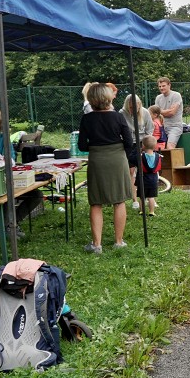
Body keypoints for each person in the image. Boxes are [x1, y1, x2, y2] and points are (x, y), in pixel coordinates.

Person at [77, 82, 136, 253]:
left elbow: (82, 145)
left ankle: (97, 245)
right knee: (119, 200)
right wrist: (120, 152)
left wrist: (96, 147)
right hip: (117, 159)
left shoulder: (87, 119)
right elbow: (129, 142)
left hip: (97, 159)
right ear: (108, 98)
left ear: (91, 99)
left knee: (96, 201)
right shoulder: (118, 117)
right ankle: (119, 241)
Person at [133, 135, 161, 216]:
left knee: (142, 197)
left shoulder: (140, 157)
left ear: (143, 146)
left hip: (142, 180)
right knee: (151, 197)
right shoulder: (158, 156)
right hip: (153, 181)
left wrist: (136, 150)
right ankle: (152, 211)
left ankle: (142, 211)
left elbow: (131, 158)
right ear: (155, 146)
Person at [155, 77, 184, 149]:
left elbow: (172, 113)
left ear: (169, 85)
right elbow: (156, 114)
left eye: (163, 86)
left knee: (170, 146)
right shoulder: (158, 98)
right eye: (160, 86)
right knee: (152, 145)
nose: (161, 88)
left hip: (175, 126)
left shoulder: (176, 95)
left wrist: (160, 111)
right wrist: (167, 111)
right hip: (161, 127)